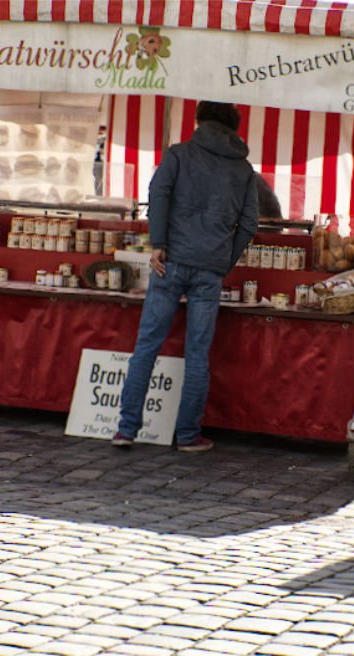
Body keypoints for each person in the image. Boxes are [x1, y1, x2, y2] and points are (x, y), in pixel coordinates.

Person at [113, 101, 258, 453]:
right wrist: (224, 261)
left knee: (146, 346)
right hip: (210, 270)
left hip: (170, 261)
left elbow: (157, 194)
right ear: (235, 128)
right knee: (197, 354)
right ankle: (189, 435)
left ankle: (126, 429)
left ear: (198, 121)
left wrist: (159, 243)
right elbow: (249, 224)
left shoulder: (178, 154)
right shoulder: (244, 171)